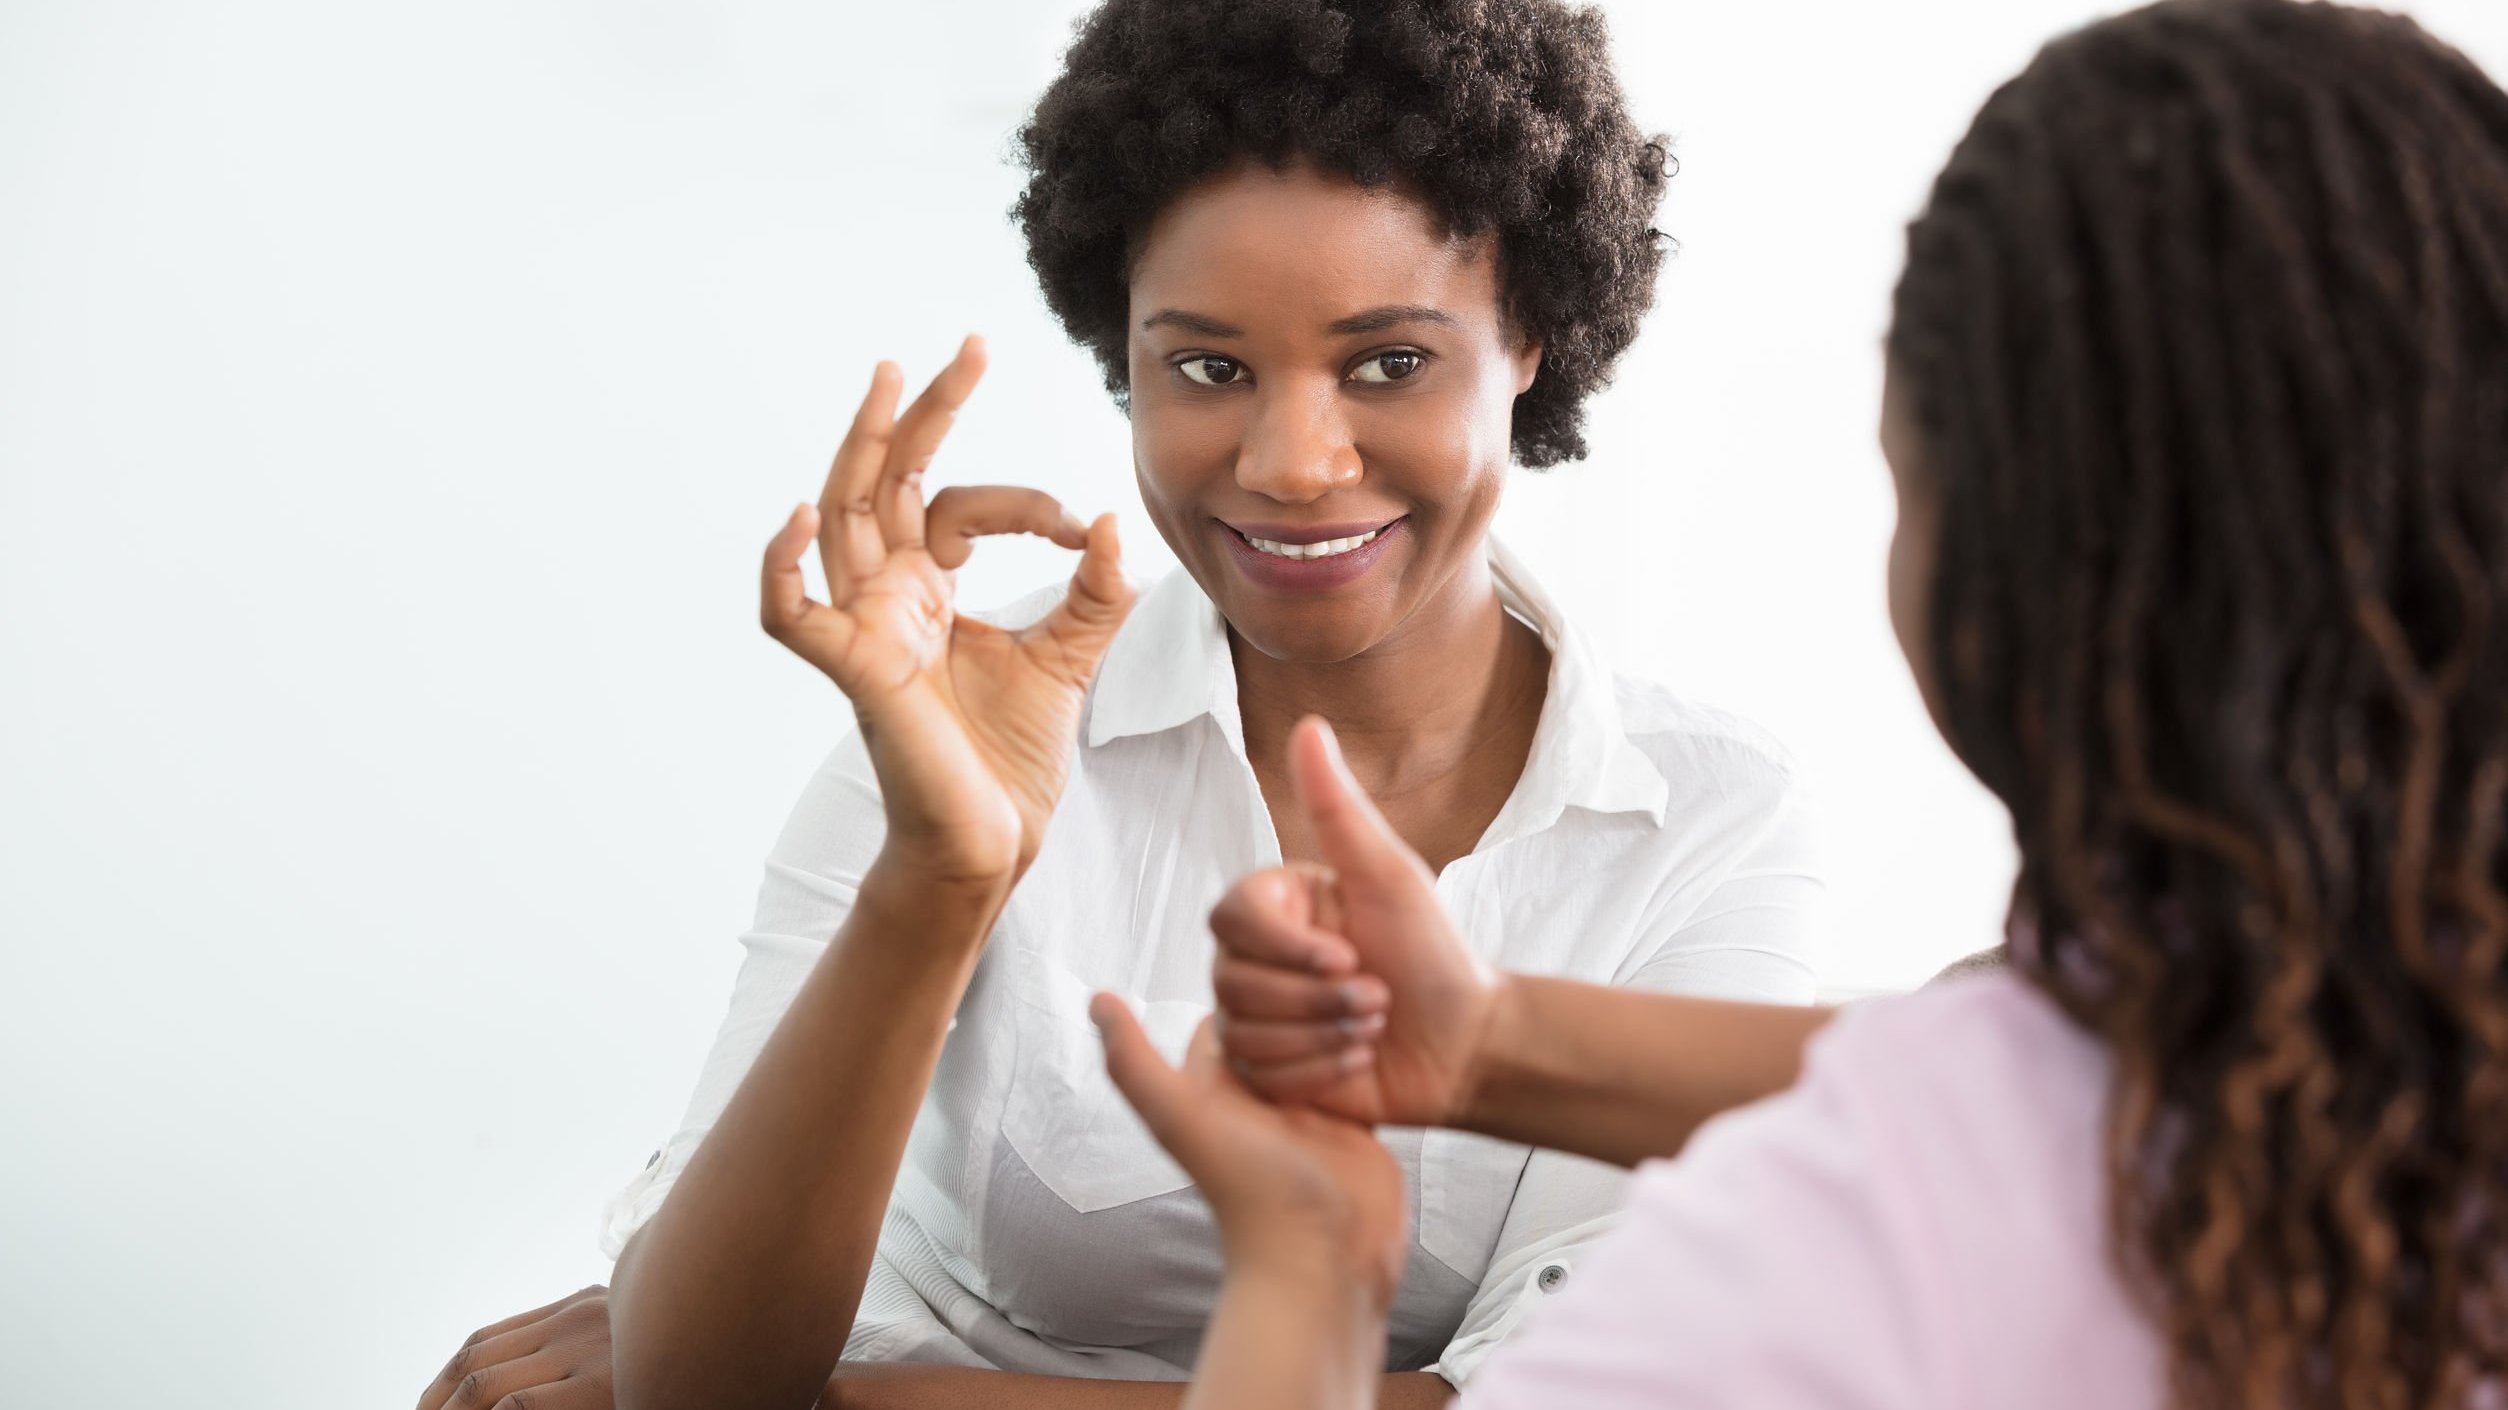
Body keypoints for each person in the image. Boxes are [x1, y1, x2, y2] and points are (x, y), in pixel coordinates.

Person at [414, 3, 1826, 1408]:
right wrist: (942, 874)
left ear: (1528, 336)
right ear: (1125, 351)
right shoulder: (971, 721)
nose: (1290, 461)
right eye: (1208, 366)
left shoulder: (1701, 821)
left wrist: (871, 1396)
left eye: (1388, 361)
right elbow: (694, 1377)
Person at [1098, 1, 2508, 1406]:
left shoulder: (1846, 1250)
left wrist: (1304, 1268)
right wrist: (1484, 1042)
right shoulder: (2369, 1052)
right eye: (1213, 362)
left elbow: (1995, 1102)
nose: (1295, 461)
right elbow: (2078, 1054)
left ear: (1989, 579)